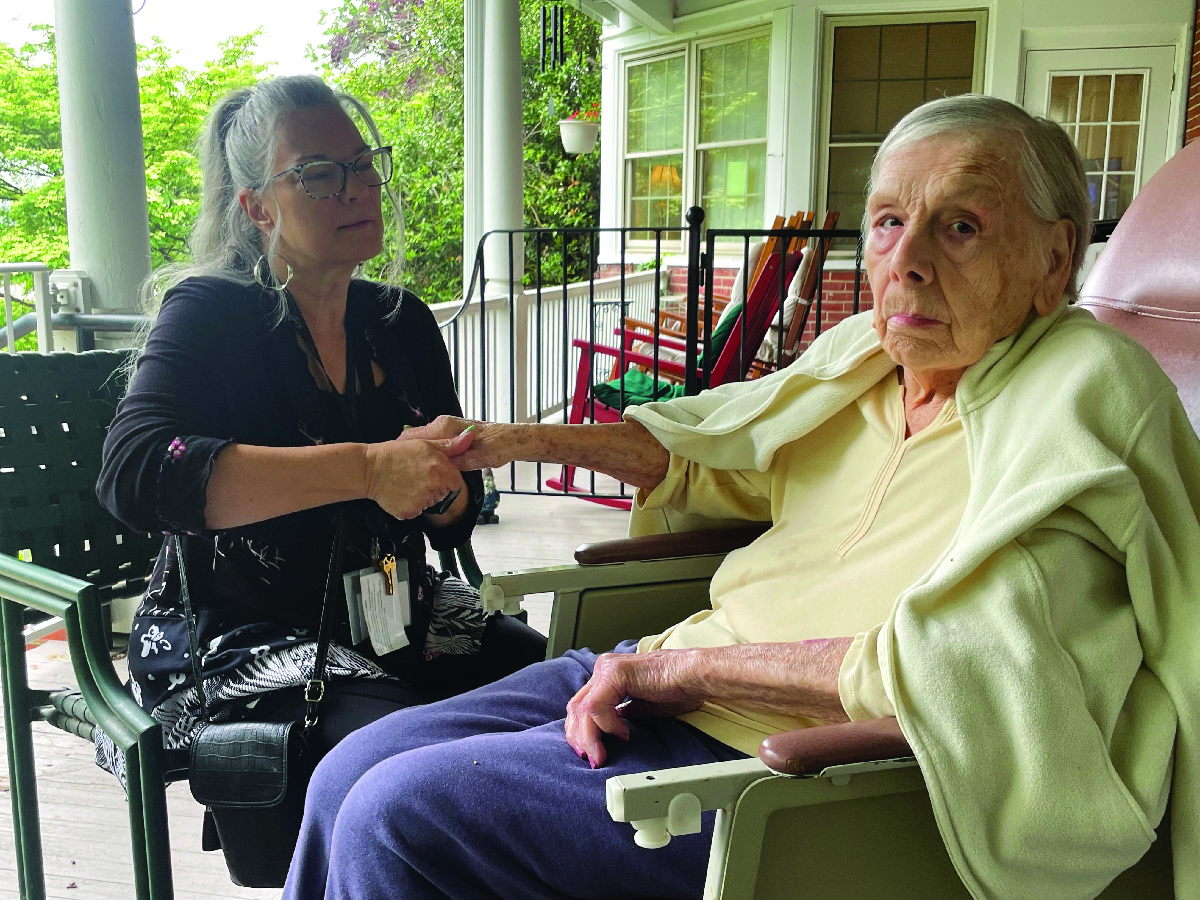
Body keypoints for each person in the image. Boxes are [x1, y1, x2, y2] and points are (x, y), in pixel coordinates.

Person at [284, 94, 1200, 900]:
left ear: (1055, 260)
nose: (907, 262)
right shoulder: (868, 362)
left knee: (395, 818)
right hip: (661, 675)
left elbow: (974, 667)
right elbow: (705, 457)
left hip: (800, 774)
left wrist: (675, 677)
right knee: (345, 772)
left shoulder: (1082, 394)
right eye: (887, 222)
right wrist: (511, 440)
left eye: (961, 226)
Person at [95, 75, 546, 878]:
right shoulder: (212, 313)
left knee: (570, 698)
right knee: (419, 766)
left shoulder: (397, 320)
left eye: (364, 164)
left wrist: (444, 487)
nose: (357, 187)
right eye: (318, 173)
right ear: (256, 206)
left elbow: (461, 506)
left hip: (402, 615)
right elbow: (136, 472)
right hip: (241, 635)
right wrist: (369, 468)